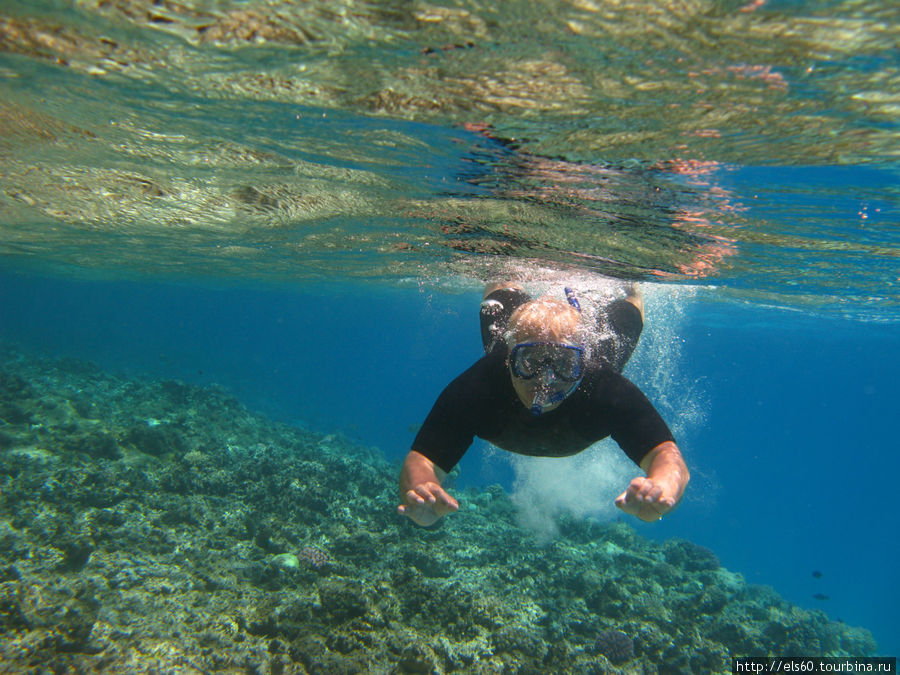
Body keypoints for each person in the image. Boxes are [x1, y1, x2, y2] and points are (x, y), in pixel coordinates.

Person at [398, 282, 689, 527]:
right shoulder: (481, 385)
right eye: (530, 362)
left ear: (582, 363)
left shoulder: (604, 387)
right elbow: (422, 460)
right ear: (509, 359)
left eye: (564, 364)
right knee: (502, 287)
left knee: (629, 306)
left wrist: (663, 488)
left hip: (598, 351)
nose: (546, 380)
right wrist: (422, 489)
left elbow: (666, 455)